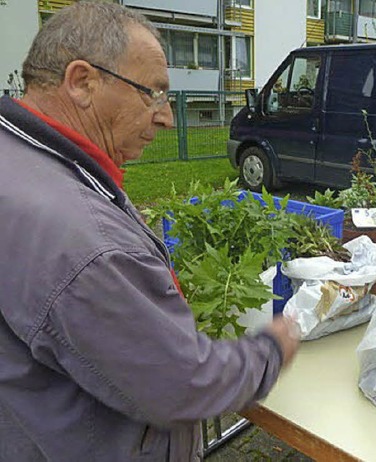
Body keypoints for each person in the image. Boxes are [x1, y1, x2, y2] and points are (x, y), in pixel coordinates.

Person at [0, 3, 299, 461]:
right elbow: (183, 386)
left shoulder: (19, 158)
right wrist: (271, 349)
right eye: (153, 94)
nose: (166, 118)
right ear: (82, 82)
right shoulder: (85, 241)